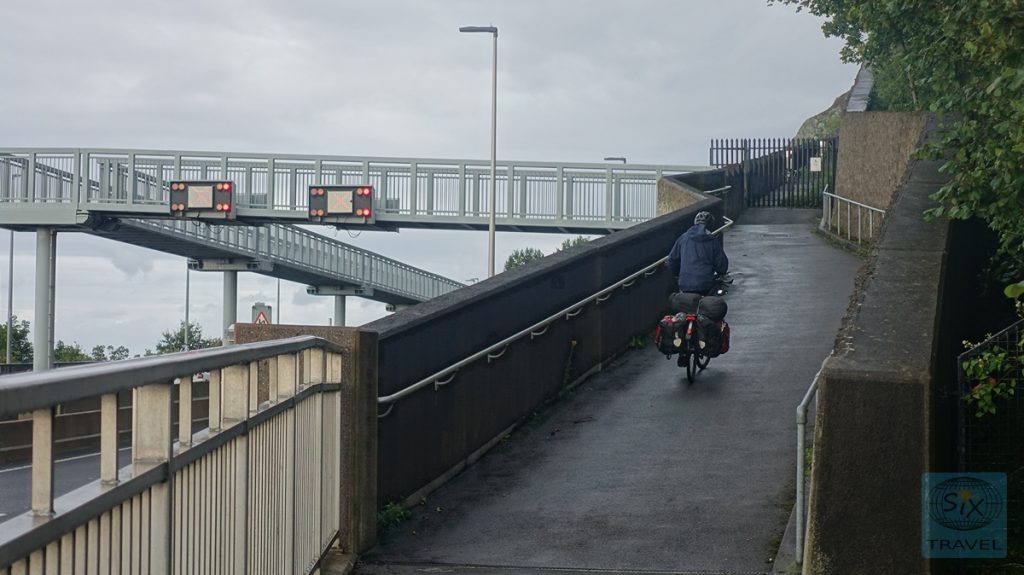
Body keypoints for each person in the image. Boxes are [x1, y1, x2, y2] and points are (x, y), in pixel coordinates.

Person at [667, 211, 729, 295]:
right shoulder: (713, 241)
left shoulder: (683, 238)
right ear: (710, 225)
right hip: (706, 284)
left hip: (685, 284)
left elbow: (671, 260)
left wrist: (680, 274)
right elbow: (722, 266)